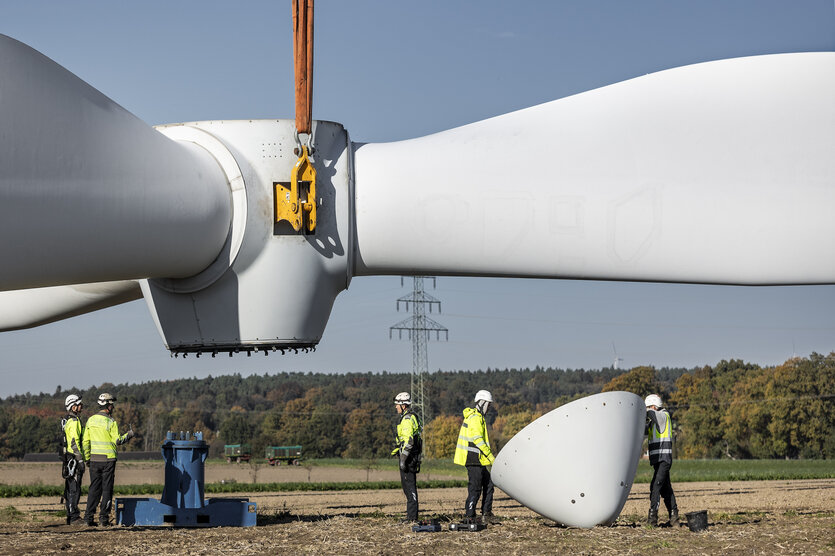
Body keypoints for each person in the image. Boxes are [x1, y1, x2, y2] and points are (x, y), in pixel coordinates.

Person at [82, 393, 134, 527]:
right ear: (108, 406)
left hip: (93, 460)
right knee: (106, 490)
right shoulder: (111, 422)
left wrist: (87, 458)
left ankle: (88, 518)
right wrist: (129, 435)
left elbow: (85, 441)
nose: (113, 407)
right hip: (108, 461)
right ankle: (103, 519)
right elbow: (117, 440)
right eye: (112, 404)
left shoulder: (91, 420)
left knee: (94, 488)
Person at [453, 389, 496, 520]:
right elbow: (478, 440)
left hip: (479, 460)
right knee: (475, 488)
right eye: (488, 405)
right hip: (473, 459)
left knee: (489, 485)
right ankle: (469, 515)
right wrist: (491, 458)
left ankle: (486, 513)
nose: (489, 408)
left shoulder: (479, 418)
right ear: (482, 403)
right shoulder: (475, 418)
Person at [645, 393, 679, 527]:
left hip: (664, 459)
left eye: (648, 407)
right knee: (666, 489)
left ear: (653, 406)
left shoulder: (663, 416)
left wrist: (643, 411)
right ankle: (674, 519)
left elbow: (652, 414)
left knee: (655, 486)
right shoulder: (654, 423)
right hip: (659, 460)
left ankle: (652, 519)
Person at [391, 391, 422, 523]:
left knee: (410, 487)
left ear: (404, 405)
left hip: (409, 458)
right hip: (408, 456)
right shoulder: (407, 417)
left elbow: (409, 442)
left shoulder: (408, 419)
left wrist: (403, 460)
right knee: (407, 487)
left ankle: (412, 517)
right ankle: (411, 516)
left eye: (397, 404)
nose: (396, 407)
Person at [61, 394, 86, 525]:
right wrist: (80, 460)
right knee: (74, 488)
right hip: (74, 459)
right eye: (79, 404)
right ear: (73, 406)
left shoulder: (66, 420)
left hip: (68, 459)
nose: (82, 406)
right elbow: (74, 442)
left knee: (70, 488)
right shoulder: (75, 422)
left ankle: (70, 515)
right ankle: (74, 517)